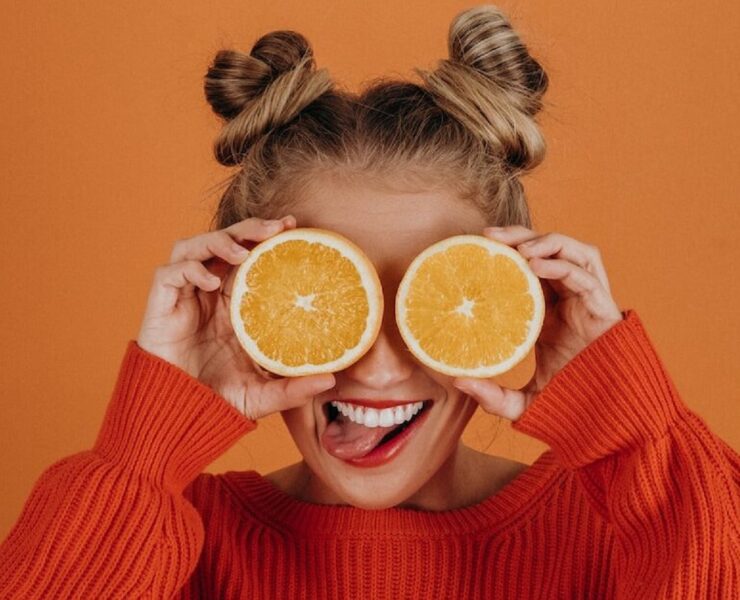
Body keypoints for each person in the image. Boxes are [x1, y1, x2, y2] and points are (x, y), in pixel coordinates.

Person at [1, 5, 738, 598]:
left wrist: (638, 436)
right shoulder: (171, 540)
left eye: (430, 298)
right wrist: (143, 452)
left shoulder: (625, 536)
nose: (381, 370)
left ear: (517, 299)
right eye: (328, 302)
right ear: (241, 305)